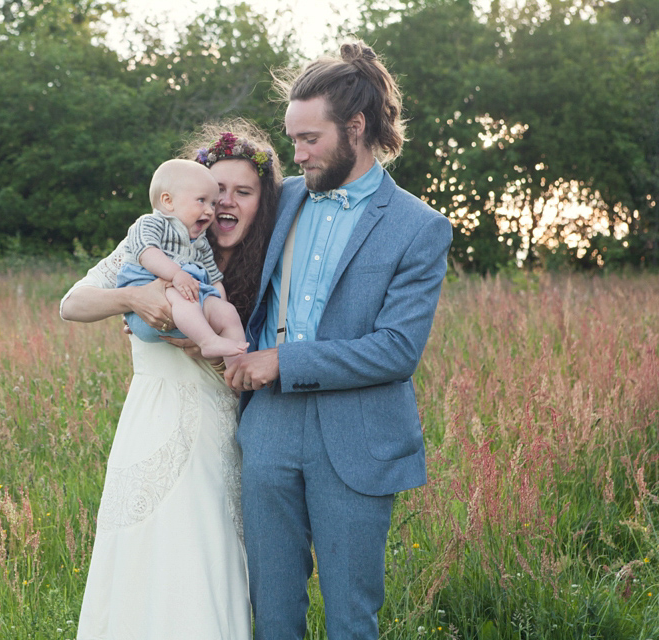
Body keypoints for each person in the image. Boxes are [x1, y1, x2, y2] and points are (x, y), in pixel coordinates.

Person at [223, 41, 454, 639]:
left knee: (352, 618)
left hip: (358, 439)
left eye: (309, 139)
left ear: (356, 129)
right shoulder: (282, 199)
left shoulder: (419, 227)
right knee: (270, 613)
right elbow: (214, 259)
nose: (295, 154)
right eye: (291, 138)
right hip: (267, 429)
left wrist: (283, 361)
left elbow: (398, 349)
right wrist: (152, 302)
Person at [60, 119, 281, 640]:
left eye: (241, 192)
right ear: (179, 197)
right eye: (213, 191)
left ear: (261, 201)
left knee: (209, 554)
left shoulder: (264, 264)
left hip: (225, 429)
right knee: (151, 551)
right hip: (153, 419)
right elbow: (72, 303)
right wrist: (132, 297)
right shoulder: (148, 243)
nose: (220, 204)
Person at [116, 159, 248, 360]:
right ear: (168, 201)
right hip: (152, 306)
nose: (210, 210)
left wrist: (219, 305)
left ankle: (238, 366)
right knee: (182, 296)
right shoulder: (151, 223)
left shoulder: (200, 242)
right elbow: (146, 252)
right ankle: (208, 342)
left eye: (213, 203)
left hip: (190, 311)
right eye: (202, 201)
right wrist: (176, 274)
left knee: (227, 312)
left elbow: (214, 279)